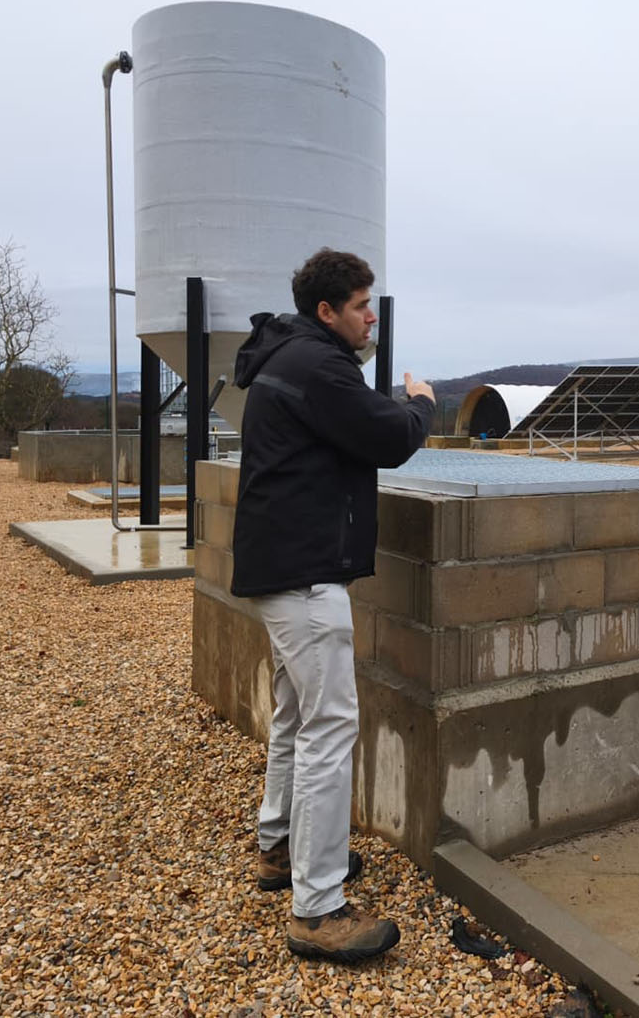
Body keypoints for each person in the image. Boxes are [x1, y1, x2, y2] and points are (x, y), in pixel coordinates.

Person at [230, 248, 435, 962]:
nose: (370, 314)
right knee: (329, 727)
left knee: (295, 714)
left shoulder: (286, 358)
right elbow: (390, 436)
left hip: (280, 566)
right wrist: (422, 402)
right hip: (306, 574)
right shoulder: (319, 367)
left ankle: (278, 848)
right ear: (327, 312)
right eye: (360, 305)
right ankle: (316, 907)